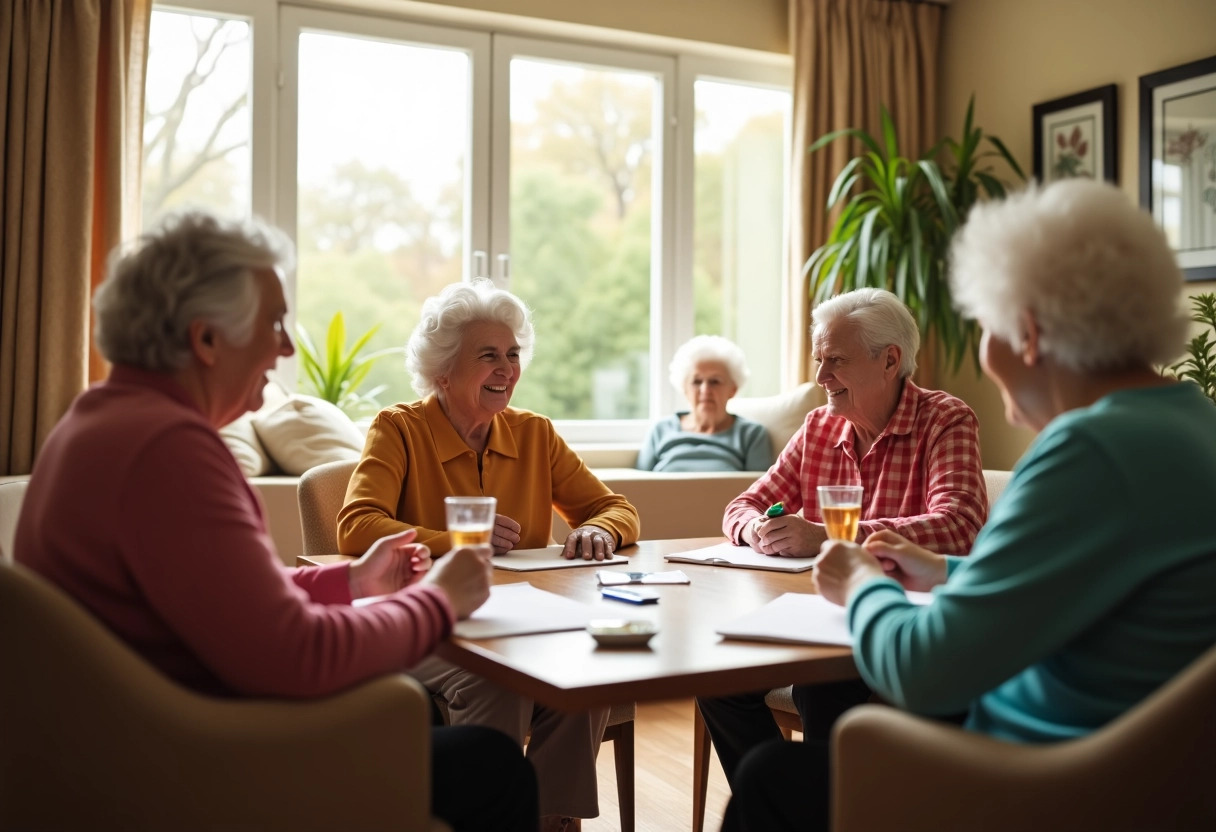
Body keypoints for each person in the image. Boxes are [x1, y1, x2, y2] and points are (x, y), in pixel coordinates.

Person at [13, 212, 538, 832]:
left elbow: (217, 596)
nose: (286, 348)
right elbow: (302, 654)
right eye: (273, 324)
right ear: (206, 339)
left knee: (416, 708)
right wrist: (438, 603)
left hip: (129, 741)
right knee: (494, 768)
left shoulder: (102, 420)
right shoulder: (168, 451)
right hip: (187, 767)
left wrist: (350, 584)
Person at [725, 179, 1216, 831]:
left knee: (770, 778)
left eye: (985, 327)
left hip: (1034, 782)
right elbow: (1089, 584)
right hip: (1150, 779)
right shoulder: (1193, 421)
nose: (983, 355)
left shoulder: (1087, 449)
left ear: (1030, 333)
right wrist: (945, 571)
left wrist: (864, 581)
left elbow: (923, 672)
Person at [336, 278, 641, 832]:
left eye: (512, 354)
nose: (507, 368)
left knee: (586, 674)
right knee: (498, 683)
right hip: (429, 621)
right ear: (442, 371)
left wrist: (600, 531)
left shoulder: (534, 434)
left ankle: (552, 819)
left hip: (520, 620)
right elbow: (356, 528)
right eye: (488, 356)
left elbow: (616, 508)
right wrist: (455, 540)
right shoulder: (398, 429)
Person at [698, 286, 988, 789]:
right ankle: (787, 806)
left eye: (835, 360)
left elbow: (959, 524)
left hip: (895, 622)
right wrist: (758, 530)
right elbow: (741, 506)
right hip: (813, 616)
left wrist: (837, 538)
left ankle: (819, 810)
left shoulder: (945, 419)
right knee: (718, 681)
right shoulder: (818, 428)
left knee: (822, 686)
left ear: (889, 360)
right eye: (818, 360)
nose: (820, 378)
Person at [636, 335, 774, 472]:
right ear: (685, 389)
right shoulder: (660, 430)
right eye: (696, 382)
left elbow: (760, 490)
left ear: (732, 389)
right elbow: (638, 485)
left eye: (715, 381)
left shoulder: (751, 434)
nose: (705, 390)